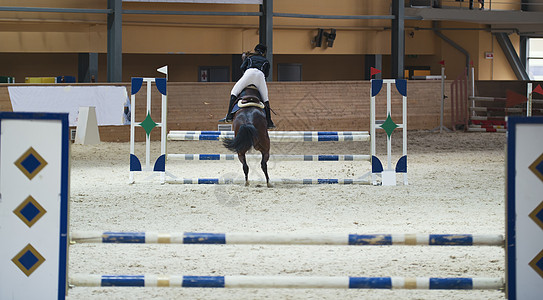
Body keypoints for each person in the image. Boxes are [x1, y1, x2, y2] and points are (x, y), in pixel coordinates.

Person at [219, 44, 275, 129]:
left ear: (255, 50)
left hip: (249, 73)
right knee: (265, 99)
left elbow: (242, 67)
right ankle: (269, 122)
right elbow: (266, 74)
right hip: (260, 76)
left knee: (233, 93)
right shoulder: (266, 61)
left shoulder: (250, 58)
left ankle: (229, 116)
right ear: (264, 53)